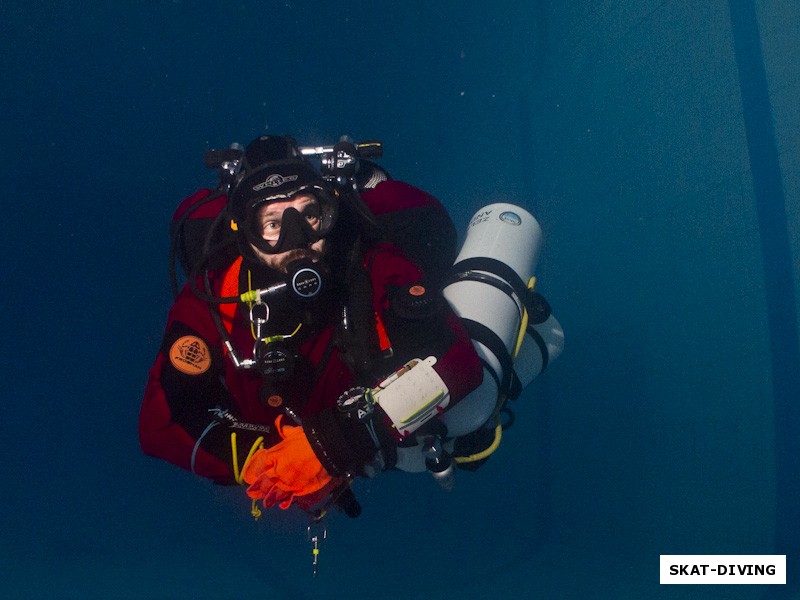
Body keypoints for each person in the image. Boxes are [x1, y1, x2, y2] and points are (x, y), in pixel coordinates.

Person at [139, 135, 484, 515]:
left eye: (309, 214)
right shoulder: (217, 292)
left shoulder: (372, 263)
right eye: (271, 223)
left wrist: (332, 446)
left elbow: (456, 360)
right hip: (283, 437)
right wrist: (270, 462)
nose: (296, 237)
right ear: (245, 235)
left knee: (469, 415)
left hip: (388, 438)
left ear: (329, 214)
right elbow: (163, 418)